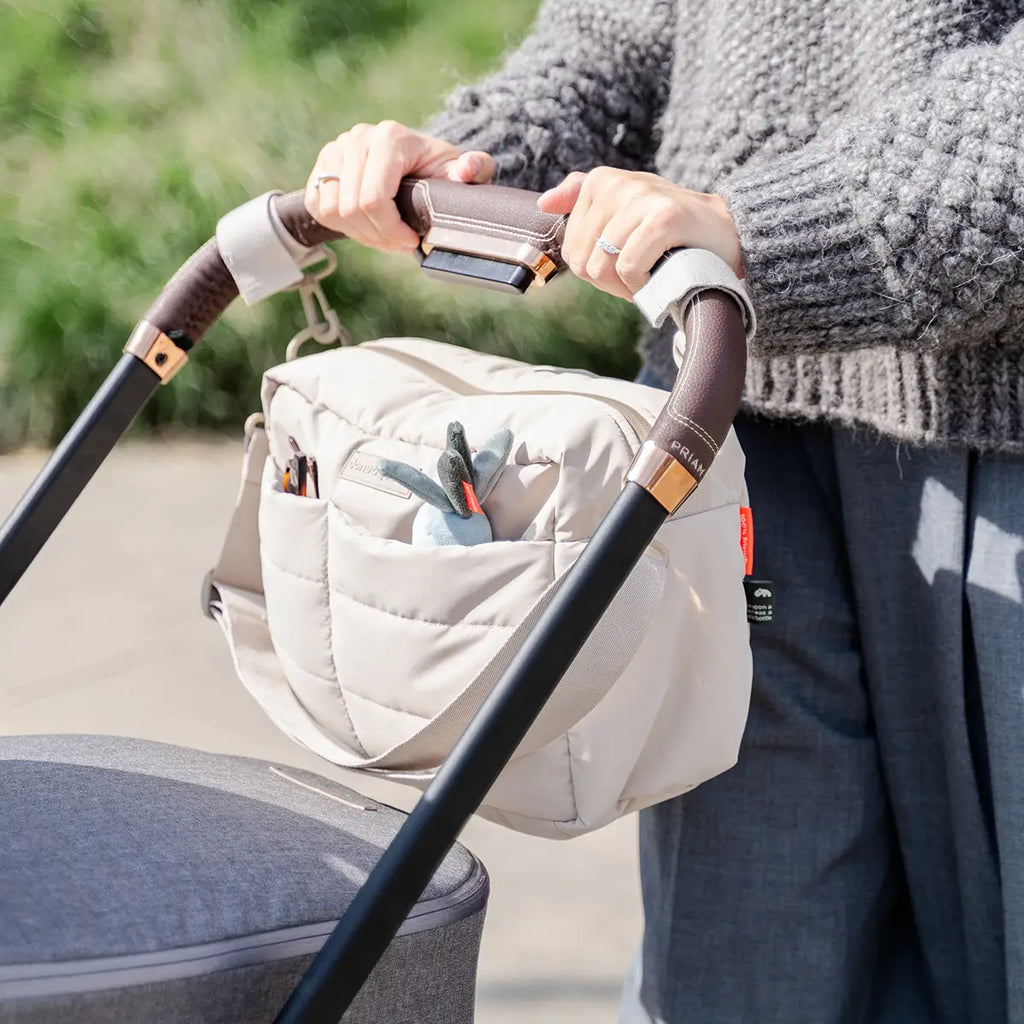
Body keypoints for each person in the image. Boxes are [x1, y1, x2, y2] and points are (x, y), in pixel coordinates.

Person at [305, 3, 1024, 1021]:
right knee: (733, 967)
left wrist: (757, 229)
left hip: (993, 434)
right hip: (730, 431)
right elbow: (622, 33)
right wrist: (475, 166)